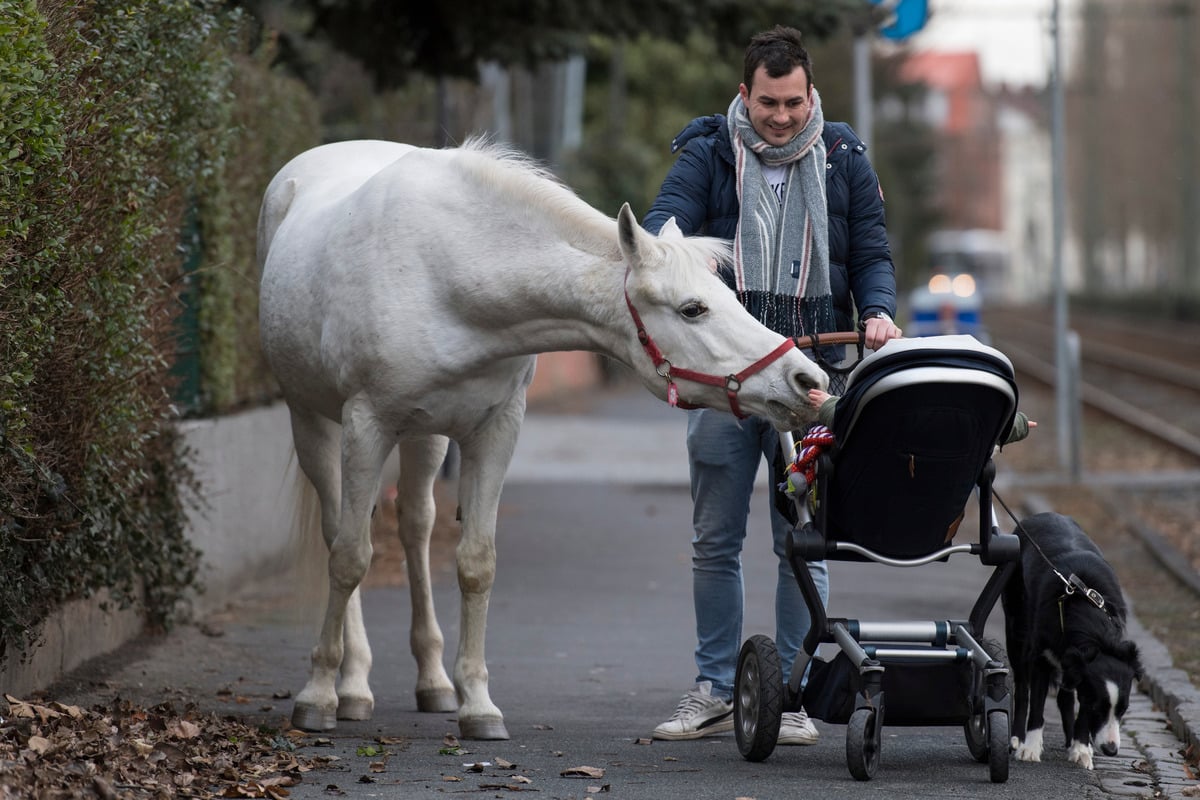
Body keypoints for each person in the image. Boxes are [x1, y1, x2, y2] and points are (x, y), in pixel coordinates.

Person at [643, 25, 902, 744]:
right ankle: (717, 687)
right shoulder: (708, 152)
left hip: (814, 374)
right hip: (728, 376)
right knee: (714, 539)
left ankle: (789, 692)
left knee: (805, 540)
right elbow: (669, 225)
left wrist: (877, 310)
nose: (781, 117)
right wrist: (660, 247)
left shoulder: (843, 157)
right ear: (743, 96)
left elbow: (873, 249)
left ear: (810, 94)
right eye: (767, 103)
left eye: (792, 102)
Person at [808, 388, 1037, 442]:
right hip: (941, 522)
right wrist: (1019, 425)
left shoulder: (894, 418)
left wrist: (829, 406)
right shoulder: (959, 426)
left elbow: (858, 422)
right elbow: (989, 426)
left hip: (875, 514)